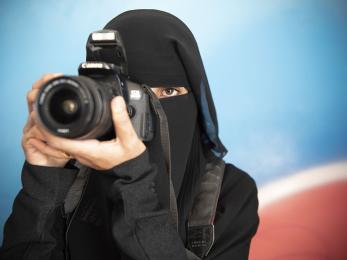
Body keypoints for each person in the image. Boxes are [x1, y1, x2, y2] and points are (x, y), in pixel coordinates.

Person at [0, 9, 259, 260]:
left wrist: (133, 180)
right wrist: (45, 178)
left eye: (168, 92)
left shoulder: (229, 192)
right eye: (135, 97)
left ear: (195, 96)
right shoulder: (67, 179)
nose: (154, 111)